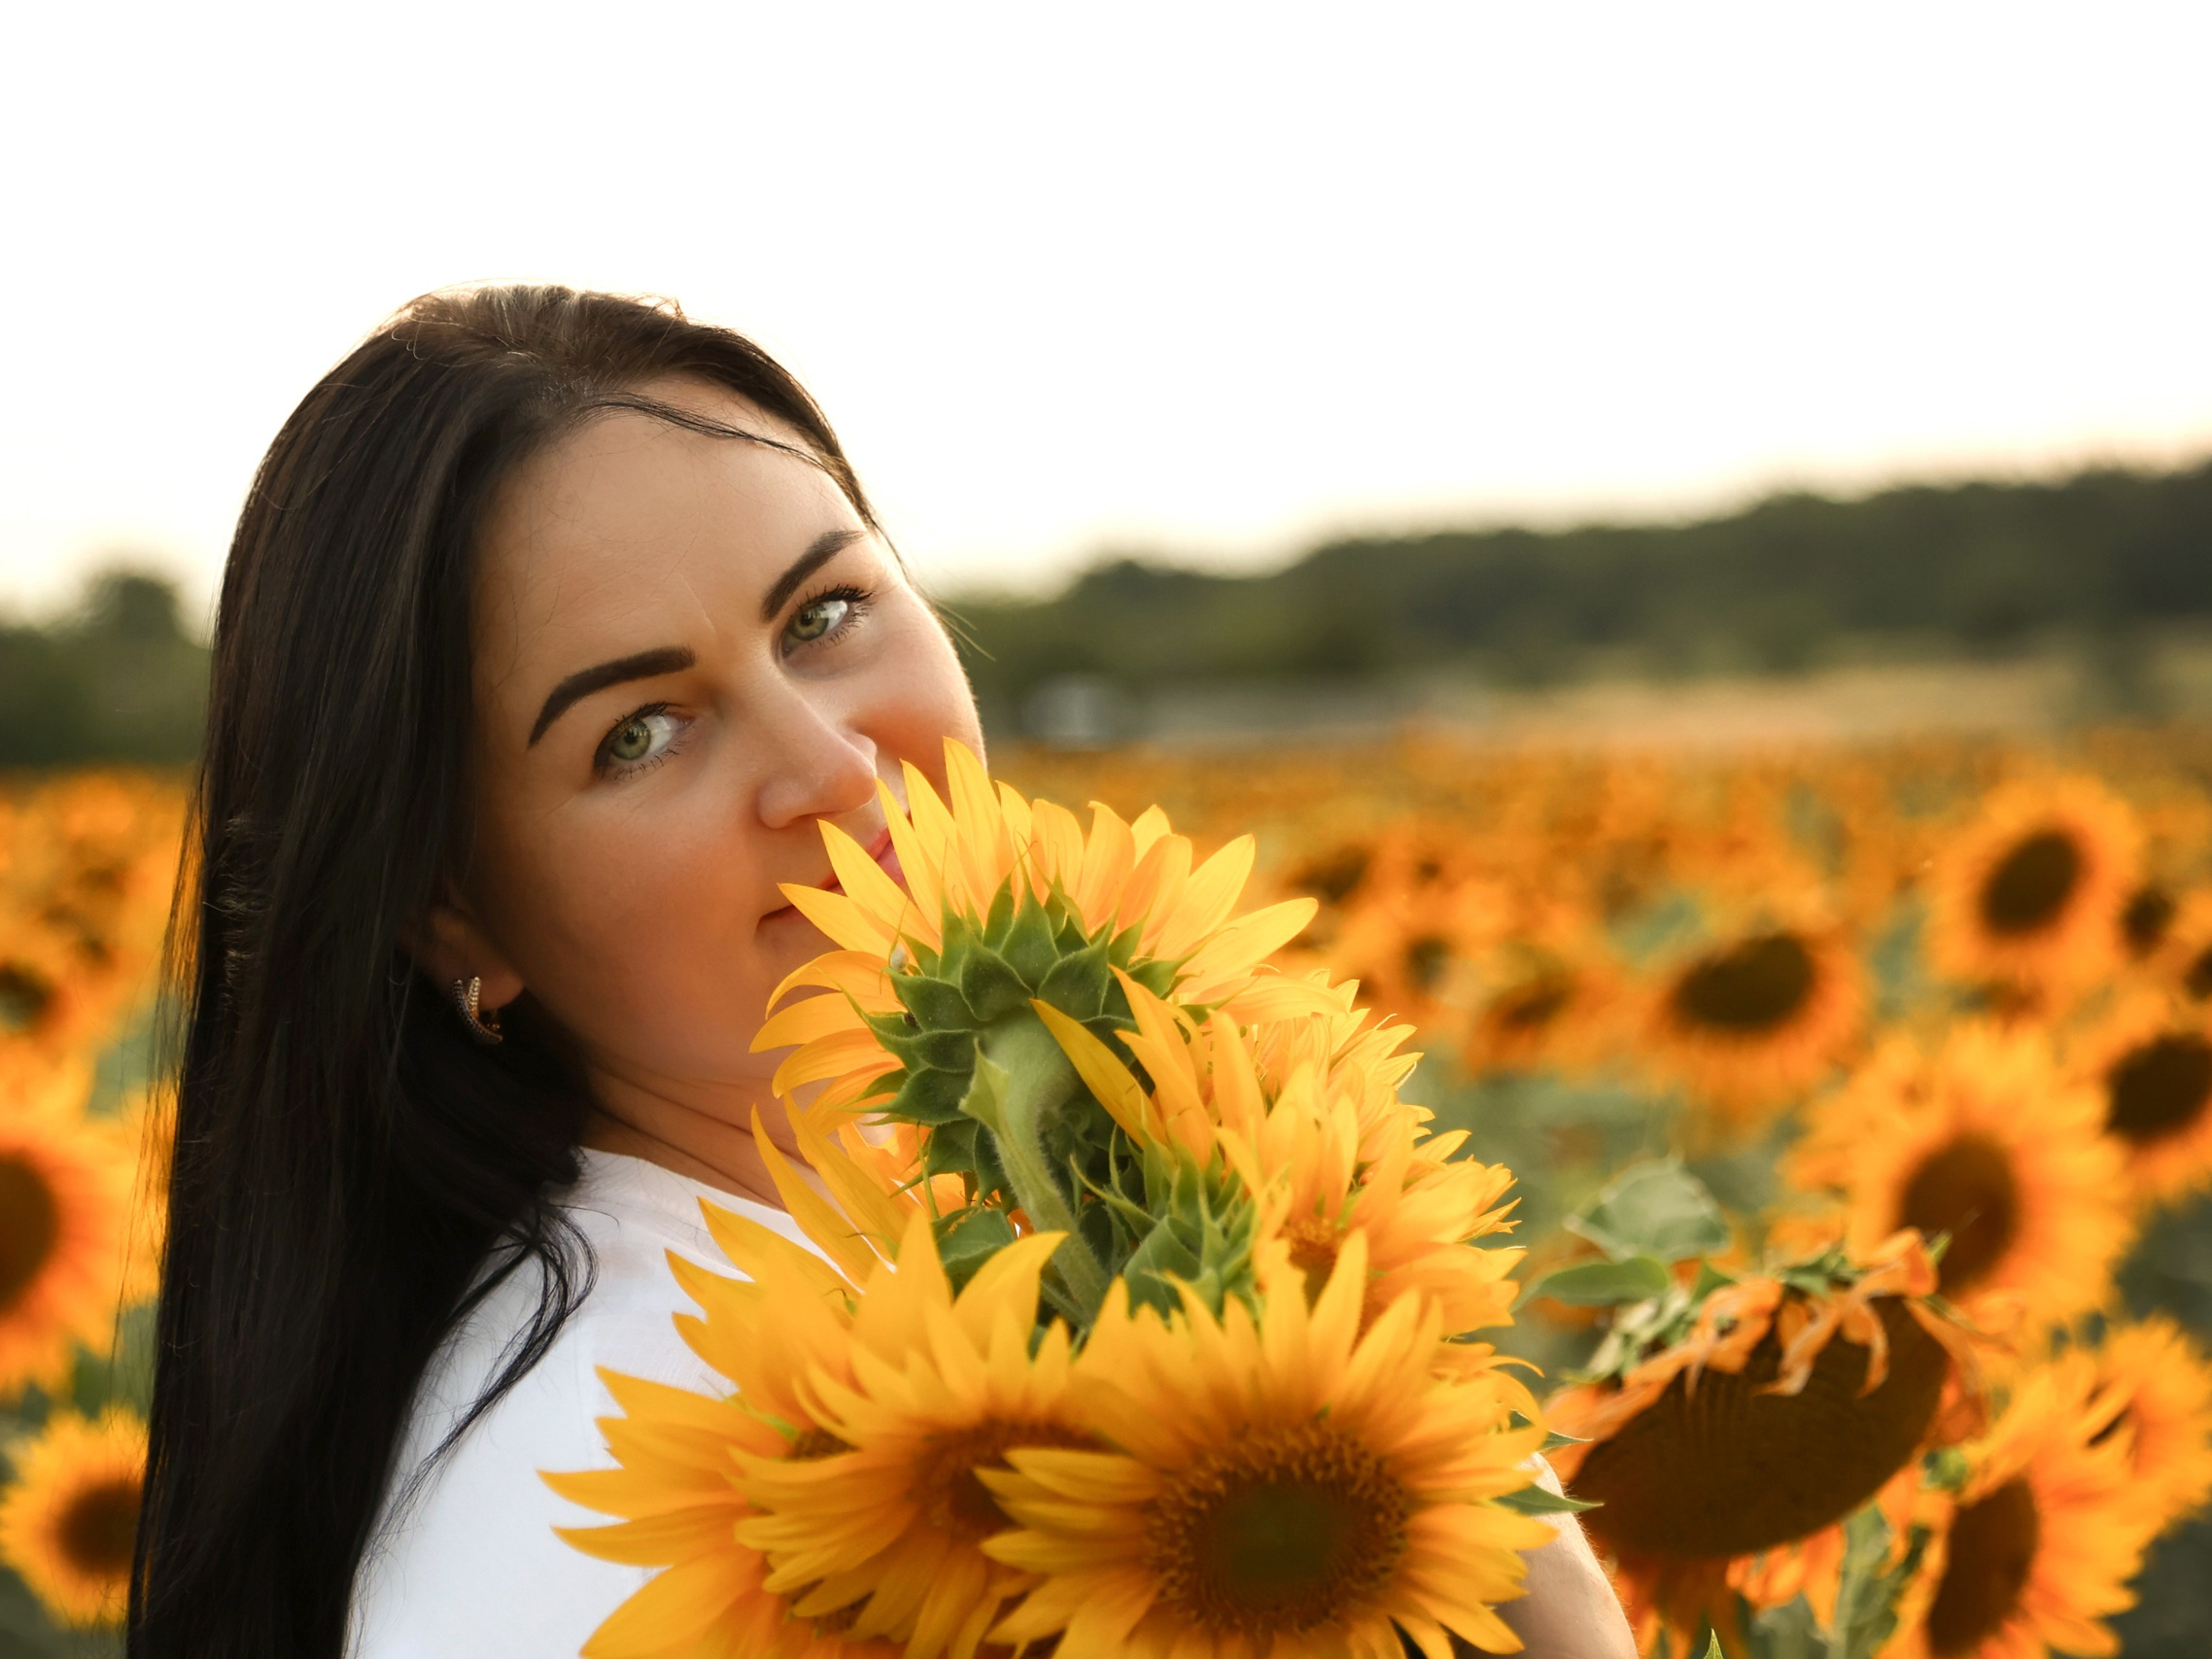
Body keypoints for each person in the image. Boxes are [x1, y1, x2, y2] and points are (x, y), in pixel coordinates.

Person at [131, 285, 1635, 1659]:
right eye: (639, 732)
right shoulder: (639, 1471)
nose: (832, 767)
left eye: (824, 615)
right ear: (452, 918)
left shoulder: (945, 1262)